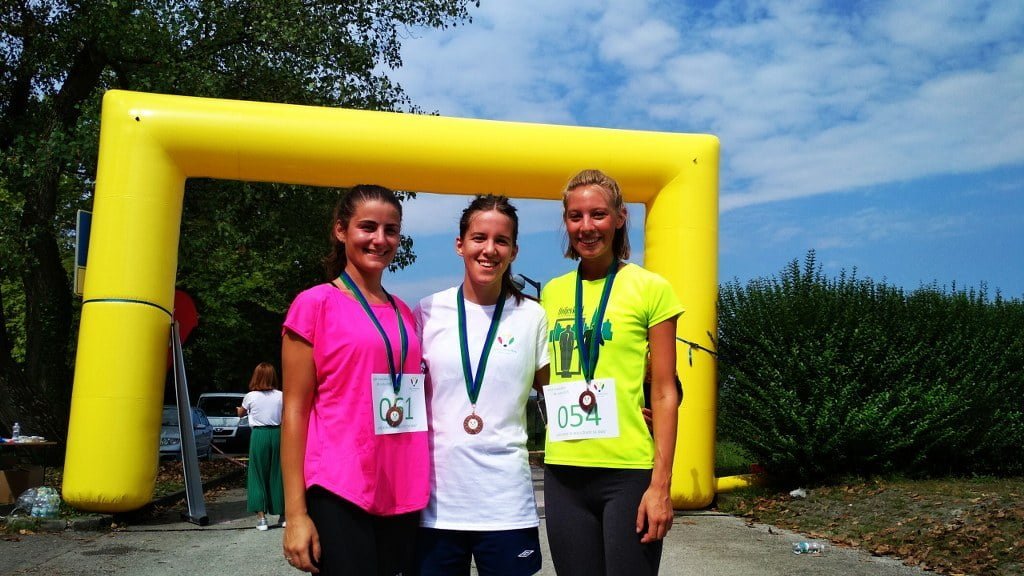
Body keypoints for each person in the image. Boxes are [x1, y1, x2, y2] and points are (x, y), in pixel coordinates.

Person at [540, 169, 682, 576]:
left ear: (620, 217)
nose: (586, 227)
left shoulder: (651, 288)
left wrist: (661, 485)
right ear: (566, 222)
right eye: (576, 216)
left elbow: (665, 390)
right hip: (564, 472)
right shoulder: (552, 292)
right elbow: (542, 377)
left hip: (627, 473)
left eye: (598, 214)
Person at [280, 185, 428, 575]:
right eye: (368, 227)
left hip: (401, 489)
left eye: (391, 230)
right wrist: (295, 514)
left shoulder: (404, 313)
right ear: (341, 230)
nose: (380, 239)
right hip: (340, 487)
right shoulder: (314, 304)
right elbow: (294, 411)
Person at [414, 195, 550, 576]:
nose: (489, 249)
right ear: (460, 245)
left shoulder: (532, 316)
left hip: (506, 505)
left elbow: (556, 394)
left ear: (514, 251)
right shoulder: (427, 311)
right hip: (436, 508)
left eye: (501, 240)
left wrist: (622, 408)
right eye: (479, 238)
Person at [237, 362, 285, 531]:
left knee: (257, 474)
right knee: (278, 473)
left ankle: (262, 518)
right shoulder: (281, 395)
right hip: (278, 434)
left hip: (259, 434)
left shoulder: (251, 396)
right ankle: (283, 515)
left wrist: (239, 409)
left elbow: (240, 413)